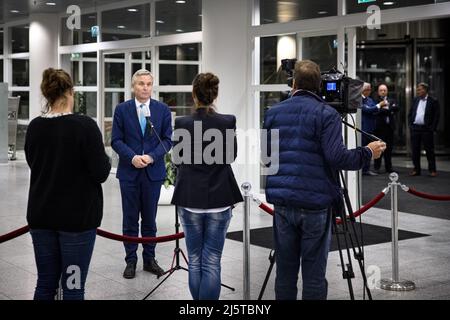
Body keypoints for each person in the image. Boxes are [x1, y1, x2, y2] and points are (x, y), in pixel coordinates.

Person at [262, 60, 386, 300]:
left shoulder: (273, 113)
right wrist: (368, 152)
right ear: (319, 86)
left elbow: (267, 159)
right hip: (315, 204)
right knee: (314, 275)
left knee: (285, 273)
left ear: (294, 83)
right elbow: (337, 157)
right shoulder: (326, 114)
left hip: (283, 203)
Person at [25, 68, 111, 300]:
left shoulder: (34, 127)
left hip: (41, 216)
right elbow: (101, 172)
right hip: (77, 222)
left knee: (45, 283)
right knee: (73, 285)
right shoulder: (85, 126)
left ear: (47, 94)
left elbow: (34, 163)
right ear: (71, 92)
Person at [171, 72, 243, 300]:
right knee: (211, 260)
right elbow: (230, 156)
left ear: (194, 95)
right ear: (215, 95)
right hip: (220, 198)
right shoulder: (227, 121)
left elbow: (177, 158)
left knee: (194, 259)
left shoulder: (182, 123)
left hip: (190, 198)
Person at [111, 69, 172, 279]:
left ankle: (149, 259)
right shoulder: (122, 109)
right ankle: (130, 261)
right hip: (129, 173)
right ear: (133, 86)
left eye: (148, 84)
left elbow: (167, 140)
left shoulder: (162, 110)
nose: (145, 87)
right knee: (130, 220)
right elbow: (116, 140)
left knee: (150, 220)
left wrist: (152, 157)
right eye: (141, 84)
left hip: (152, 173)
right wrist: (133, 157)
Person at [408, 82, 440, 177]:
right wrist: (410, 125)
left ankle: (432, 170)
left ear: (425, 90)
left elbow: (436, 116)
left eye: (420, 89)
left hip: (427, 129)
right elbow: (410, 113)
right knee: (415, 150)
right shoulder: (415, 100)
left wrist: (432, 128)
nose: (418, 91)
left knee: (429, 150)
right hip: (415, 129)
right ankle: (416, 169)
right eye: (417, 89)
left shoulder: (433, 100)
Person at [373, 84, 399, 174]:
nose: (383, 92)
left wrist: (385, 109)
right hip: (379, 129)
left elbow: (396, 108)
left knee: (389, 149)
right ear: (378, 92)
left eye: (384, 90)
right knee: (379, 148)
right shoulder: (375, 101)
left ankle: (389, 168)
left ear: (387, 91)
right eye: (381, 90)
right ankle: (377, 167)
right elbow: (376, 112)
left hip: (390, 129)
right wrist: (388, 110)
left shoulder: (392, 100)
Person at [361, 82, 380, 176]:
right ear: (363, 90)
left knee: (369, 148)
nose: (369, 91)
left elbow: (375, 110)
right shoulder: (359, 100)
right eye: (367, 89)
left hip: (370, 128)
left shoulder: (370, 99)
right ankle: (361, 169)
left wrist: (375, 108)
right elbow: (368, 110)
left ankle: (366, 169)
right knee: (363, 149)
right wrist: (378, 106)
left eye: (369, 89)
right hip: (363, 129)